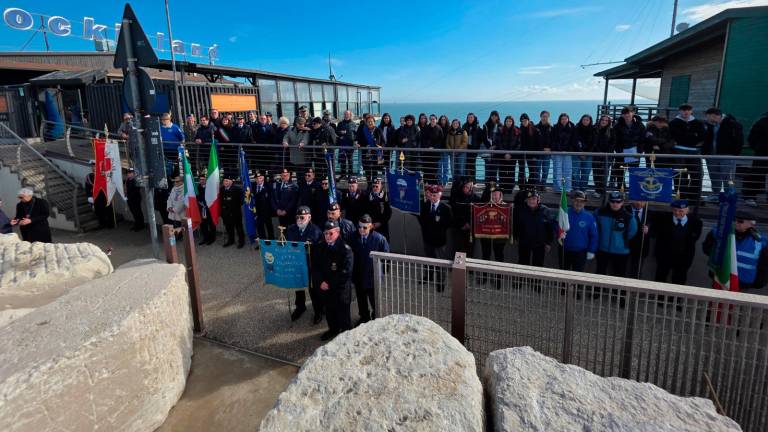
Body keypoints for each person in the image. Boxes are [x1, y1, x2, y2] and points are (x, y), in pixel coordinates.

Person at [703, 209, 768, 291]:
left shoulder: (761, 242)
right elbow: (706, 249)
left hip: (743, 284)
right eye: (734, 220)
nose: (736, 223)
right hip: (720, 280)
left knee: (735, 303)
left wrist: (760, 282)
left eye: (740, 221)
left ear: (751, 224)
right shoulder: (719, 234)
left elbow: (764, 265)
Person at [313, 220, 354, 340]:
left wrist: (329, 283)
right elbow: (315, 267)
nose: (328, 236)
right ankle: (333, 330)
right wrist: (320, 282)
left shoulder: (346, 250)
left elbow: (346, 272)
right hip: (325, 288)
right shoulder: (320, 247)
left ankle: (346, 336)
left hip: (340, 289)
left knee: (343, 315)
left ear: (338, 232)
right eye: (325, 233)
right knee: (330, 312)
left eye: (330, 233)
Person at [351, 214, 390, 325]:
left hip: (373, 277)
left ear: (371, 226)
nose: (361, 230)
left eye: (365, 227)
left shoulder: (379, 239)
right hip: (359, 275)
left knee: (374, 301)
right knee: (361, 300)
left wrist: (382, 274)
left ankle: (376, 319)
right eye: (359, 227)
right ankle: (364, 317)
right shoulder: (353, 237)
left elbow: (386, 258)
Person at [287, 206, 323, 322]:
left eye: (302, 217)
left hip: (311, 266)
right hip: (297, 264)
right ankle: (300, 307)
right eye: (297, 217)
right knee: (298, 287)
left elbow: (319, 251)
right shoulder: (291, 229)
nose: (299, 220)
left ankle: (318, 312)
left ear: (309, 217)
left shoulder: (316, 231)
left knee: (313, 291)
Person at [653, 200, 702, 285]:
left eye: (681, 211)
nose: (677, 213)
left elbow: (694, 239)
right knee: (660, 278)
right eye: (675, 210)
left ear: (687, 210)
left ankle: (675, 299)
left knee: (679, 280)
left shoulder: (696, 222)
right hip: (664, 257)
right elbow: (654, 232)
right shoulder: (663, 219)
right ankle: (659, 298)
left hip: (683, 258)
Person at [703, 107, 744, 200]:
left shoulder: (732, 124)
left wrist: (734, 153)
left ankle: (729, 195)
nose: (707, 120)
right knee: (714, 176)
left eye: (709, 118)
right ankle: (716, 194)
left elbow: (739, 140)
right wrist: (705, 152)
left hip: (727, 155)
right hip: (711, 155)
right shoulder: (710, 125)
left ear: (715, 116)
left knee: (728, 177)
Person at [594, 191, 637, 277]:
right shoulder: (599, 213)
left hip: (621, 252)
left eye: (618, 201)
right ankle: (598, 290)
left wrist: (621, 241)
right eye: (612, 201)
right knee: (599, 275)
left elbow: (633, 231)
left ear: (622, 202)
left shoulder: (629, 217)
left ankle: (618, 291)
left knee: (619, 276)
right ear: (609, 201)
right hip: (603, 249)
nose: (615, 204)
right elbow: (594, 227)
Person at [669, 103, 706, 202]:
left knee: (697, 174)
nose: (686, 112)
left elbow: (702, 136)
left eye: (688, 109)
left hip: (694, 151)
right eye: (683, 110)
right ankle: (681, 196)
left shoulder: (698, 122)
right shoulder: (673, 123)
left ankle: (694, 197)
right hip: (679, 151)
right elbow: (675, 136)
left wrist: (687, 137)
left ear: (691, 111)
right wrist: (693, 136)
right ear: (679, 111)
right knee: (680, 174)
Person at [419, 184, 453, 291]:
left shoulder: (445, 208)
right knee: (428, 260)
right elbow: (420, 219)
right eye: (431, 195)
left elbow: (449, 223)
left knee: (440, 263)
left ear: (440, 195)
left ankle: (440, 282)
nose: (432, 197)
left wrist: (438, 224)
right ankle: (428, 277)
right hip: (427, 239)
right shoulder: (424, 205)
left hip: (439, 241)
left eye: (435, 195)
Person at [513, 189, 552, 267]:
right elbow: (516, 225)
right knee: (523, 264)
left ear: (538, 200)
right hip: (524, 243)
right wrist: (515, 237)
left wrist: (548, 243)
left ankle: (536, 280)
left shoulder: (546, 210)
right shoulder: (520, 210)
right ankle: (522, 279)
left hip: (539, 244)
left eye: (534, 199)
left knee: (538, 265)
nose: (531, 201)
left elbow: (549, 228)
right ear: (526, 200)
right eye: (529, 199)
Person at [560, 190, 598, 272]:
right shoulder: (564, 213)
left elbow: (594, 235)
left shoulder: (589, 217)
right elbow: (556, 225)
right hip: (564, 250)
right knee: (562, 276)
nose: (579, 203)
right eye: (577, 201)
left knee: (578, 277)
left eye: (582, 201)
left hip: (581, 253)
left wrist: (591, 250)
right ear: (573, 201)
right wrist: (559, 233)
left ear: (585, 203)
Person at [480, 187, 510, 274]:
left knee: (499, 257)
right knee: (485, 255)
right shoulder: (485, 206)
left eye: (496, 194)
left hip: (500, 236)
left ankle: (498, 279)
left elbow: (509, 222)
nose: (494, 196)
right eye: (493, 194)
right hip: (486, 235)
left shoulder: (507, 207)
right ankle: (484, 276)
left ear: (501, 195)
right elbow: (480, 220)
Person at [744, 112, 768, 207]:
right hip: (762, 154)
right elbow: (752, 138)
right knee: (756, 174)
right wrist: (758, 148)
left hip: (761, 153)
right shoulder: (762, 122)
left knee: (757, 174)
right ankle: (750, 197)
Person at [450, 177, 479, 256]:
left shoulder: (475, 198)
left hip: (470, 230)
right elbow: (454, 213)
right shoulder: (455, 198)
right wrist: (462, 224)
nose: (470, 189)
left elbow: (478, 213)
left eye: (471, 187)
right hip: (458, 228)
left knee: (470, 252)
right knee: (457, 251)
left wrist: (469, 224)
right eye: (467, 187)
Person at [613, 107, 646, 177]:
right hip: (621, 153)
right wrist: (619, 151)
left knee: (634, 173)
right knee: (619, 174)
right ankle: (620, 187)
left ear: (633, 113)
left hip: (635, 153)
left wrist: (639, 151)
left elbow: (642, 139)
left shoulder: (640, 125)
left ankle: (632, 188)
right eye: (624, 113)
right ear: (622, 115)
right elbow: (615, 140)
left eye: (628, 113)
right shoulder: (617, 126)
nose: (627, 115)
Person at [85, 160, 114, 229]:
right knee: (98, 211)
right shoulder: (89, 176)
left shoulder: (104, 174)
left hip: (105, 195)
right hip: (96, 197)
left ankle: (111, 224)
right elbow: (87, 188)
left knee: (108, 210)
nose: (93, 168)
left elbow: (109, 183)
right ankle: (102, 223)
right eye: (92, 166)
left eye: (94, 166)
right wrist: (89, 196)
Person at [625, 199, 651, 279]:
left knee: (636, 271)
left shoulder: (649, 212)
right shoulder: (624, 210)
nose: (639, 203)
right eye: (637, 200)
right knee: (622, 269)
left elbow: (656, 230)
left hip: (641, 247)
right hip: (625, 245)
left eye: (642, 201)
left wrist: (648, 230)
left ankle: (633, 290)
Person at [592, 115, 616, 197]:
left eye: (606, 120)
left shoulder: (612, 130)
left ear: (609, 122)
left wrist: (606, 153)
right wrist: (598, 151)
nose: (604, 121)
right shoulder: (594, 129)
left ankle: (602, 190)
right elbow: (593, 142)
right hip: (596, 154)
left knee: (604, 173)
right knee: (596, 173)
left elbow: (613, 143)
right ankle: (597, 190)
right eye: (603, 120)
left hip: (607, 155)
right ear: (600, 120)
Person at [551, 113, 575, 193]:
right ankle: (558, 189)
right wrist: (559, 150)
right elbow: (553, 140)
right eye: (562, 119)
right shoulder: (555, 128)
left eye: (565, 118)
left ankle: (567, 189)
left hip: (568, 153)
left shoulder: (572, 128)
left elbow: (573, 141)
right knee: (557, 171)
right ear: (559, 120)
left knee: (567, 171)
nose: (564, 120)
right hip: (557, 152)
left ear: (568, 119)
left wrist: (568, 150)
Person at [495, 116, 520, 191]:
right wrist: (505, 153)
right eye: (507, 121)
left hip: (513, 156)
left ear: (512, 122)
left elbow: (519, 144)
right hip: (502, 155)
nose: (508, 123)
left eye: (510, 121)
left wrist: (511, 153)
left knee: (511, 172)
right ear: (504, 122)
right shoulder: (500, 130)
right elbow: (498, 142)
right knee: (502, 172)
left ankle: (510, 188)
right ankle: (502, 188)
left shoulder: (516, 130)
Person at [220, 175, 245, 248]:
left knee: (239, 228)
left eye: (227, 180)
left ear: (231, 181)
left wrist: (236, 206)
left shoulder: (237, 189)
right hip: (226, 212)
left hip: (235, 212)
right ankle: (231, 240)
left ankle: (241, 241)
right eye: (224, 181)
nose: (225, 182)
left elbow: (242, 200)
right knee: (229, 227)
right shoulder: (222, 189)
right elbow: (221, 201)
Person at [357, 115, 383, 181]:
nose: (370, 123)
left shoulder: (378, 130)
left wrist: (381, 146)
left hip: (376, 153)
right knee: (367, 170)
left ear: (374, 122)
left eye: (371, 121)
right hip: (366, 153)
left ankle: (374, 184)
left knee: (375, 170)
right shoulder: (363, 130)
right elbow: (359, 140)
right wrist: (360, 144)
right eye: (368, 122)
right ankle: (369, 184)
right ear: (366, 122)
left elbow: (383, 141)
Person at [420, 114, 444, 185]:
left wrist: (434, 147)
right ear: (429, 120)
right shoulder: (425, 128)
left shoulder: (439, 129)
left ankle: (433, 185)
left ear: (436, 120)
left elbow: (441, 141)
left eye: (434, 119)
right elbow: (423, 139)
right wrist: (428, 147)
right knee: (426, 169)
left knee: (434, 170)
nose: (432, 120)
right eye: (431, 119)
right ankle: (425, 184)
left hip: (435, 153)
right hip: (426, 153)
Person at [573, 114, 595, 192]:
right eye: (584, 119)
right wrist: (580, 152)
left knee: (586, 173)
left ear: (590, 121)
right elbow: (574, 141)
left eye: (587, 120)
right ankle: (576, 189)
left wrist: (587, 153)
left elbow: (593, 143)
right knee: (575, 173)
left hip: (588, 155)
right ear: (581, 120)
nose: (585, 121)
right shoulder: (576, 128)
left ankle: (583, 189)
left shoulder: (593, 130)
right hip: (577, 154)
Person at [518, 113, 540, 187]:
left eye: (525, 120)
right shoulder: (519, 131)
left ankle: (531, 186)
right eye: (522, 120)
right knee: (521, 171)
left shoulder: (535, 130)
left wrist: (535, 155)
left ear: (528, 120)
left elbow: (538, 144)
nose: (524, 122)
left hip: (532, 154)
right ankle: (522, 186)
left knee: (532, 171)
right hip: (521, 154)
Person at [252, 171, 274, 240]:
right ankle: (262, 242)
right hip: (257, 211)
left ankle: (271, 241)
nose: (258, 180)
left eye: (260, 178)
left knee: (269, 227)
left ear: (263, 178)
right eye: (257, 178)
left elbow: (272, 199)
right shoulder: (253, 186)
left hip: (267, 211)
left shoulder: (269, 186)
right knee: (260, 227)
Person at [196, 173, 216, 245]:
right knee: (203, 224)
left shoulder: (210, 187)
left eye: (203, 179)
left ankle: (212, 238)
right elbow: (197, 197)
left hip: (209, 208)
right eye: (200, 179)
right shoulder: (198, 187)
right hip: (201, 208)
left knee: (211, 224)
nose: (202, 181)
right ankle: (205, 238)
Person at [336, 110, 357, 179]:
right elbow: (336, 133)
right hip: (342, 144)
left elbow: (356, 135)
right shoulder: (340, 123)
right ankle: (343, 174)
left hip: (350, 145)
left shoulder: (353, 124)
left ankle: (350, 174)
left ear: (350, 115)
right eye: (345, 114)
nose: (346, 115)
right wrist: (340, 133)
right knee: (342, 160)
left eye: (347, 114)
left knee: (350, 160)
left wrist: (355, 142)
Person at [482, 111, 502, 185]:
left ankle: (493, 186)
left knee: (494, 169)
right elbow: (483, 138)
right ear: (490, 116)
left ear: (498, 116)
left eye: (495, 116)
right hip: (488, 150)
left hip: (496, 151)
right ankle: (487, 185)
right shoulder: (486, 125)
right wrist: (489, 147)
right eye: (492, 115)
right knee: (487, 169)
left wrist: (495, 146)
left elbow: (501, 138)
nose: (494, 117)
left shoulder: (500, 125)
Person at [463, 113, 484, 180]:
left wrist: (477, 145)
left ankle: (473, 180)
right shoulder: (464, 126)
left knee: (472, 164)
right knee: (466, 165)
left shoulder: (478, 127)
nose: (470, 119)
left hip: (474, 149)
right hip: (466, 148)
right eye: (468, 117)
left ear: (474, 118)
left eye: (471, 117)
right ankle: (467, 180)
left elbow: (481, 138)